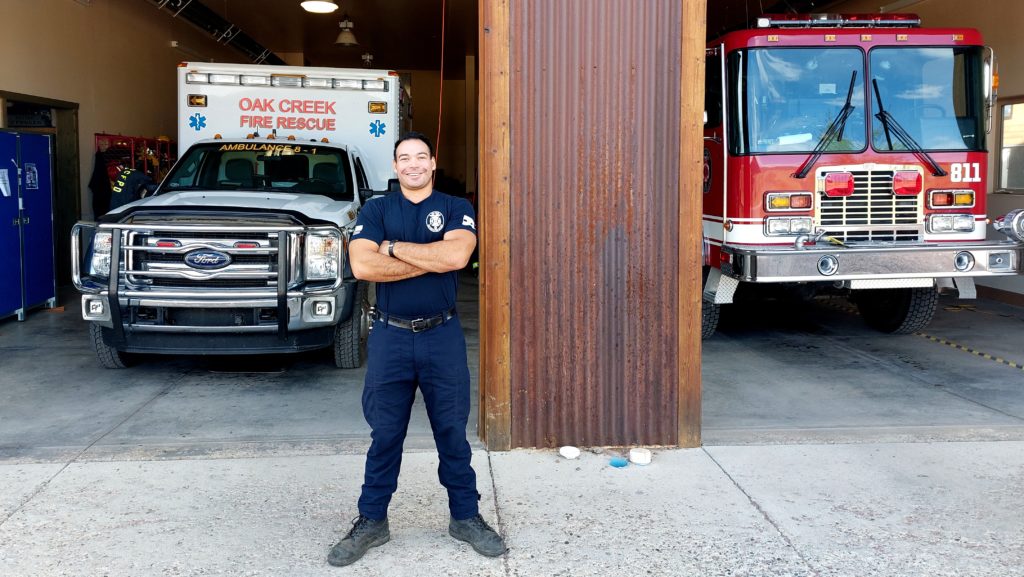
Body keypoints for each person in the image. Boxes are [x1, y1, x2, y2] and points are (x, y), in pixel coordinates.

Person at [328, 132, 506, 567]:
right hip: (389, 338)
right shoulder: (376, 209)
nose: (412, 164)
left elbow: (456, 259)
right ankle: (372, 521)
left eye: (419, 157)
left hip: (441, 336)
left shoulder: (455, 208)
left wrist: (391, 249)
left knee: (451, 431)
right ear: (395, 165)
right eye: (404, 158)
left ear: (432, 162)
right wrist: (427, 256)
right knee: (385, 434)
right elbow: (362, 265)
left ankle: (465, 517)